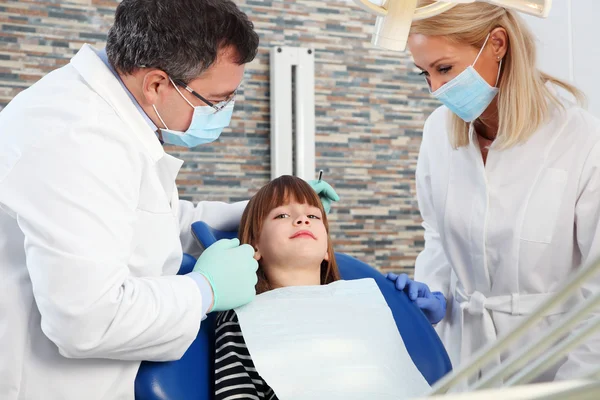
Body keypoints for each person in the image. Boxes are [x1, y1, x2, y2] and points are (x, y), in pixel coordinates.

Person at [0, 1, 337, 399]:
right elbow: (84, 320)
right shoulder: (77, 139)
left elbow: (150, 218)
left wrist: (260, 210)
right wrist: (205, 290)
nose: (224, 112)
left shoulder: (117, 114)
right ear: (157, 84)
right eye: (217, 101)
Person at [389, 0, 600, 383]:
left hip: (550, 363)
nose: (436, 89)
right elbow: (437, 236)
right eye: (425, 74)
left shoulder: (581, 138)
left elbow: (597, 291)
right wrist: (433, 296)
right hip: (462, 358)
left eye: (445, 69)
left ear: (497, 44)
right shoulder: (439, 132)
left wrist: (573, 385)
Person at [214, 175, 341, 400]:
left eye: (313, 215)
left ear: (327, 251)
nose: (303, 219)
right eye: (282, 215)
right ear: (255, 245)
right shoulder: (241, 321)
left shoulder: (358, 308)